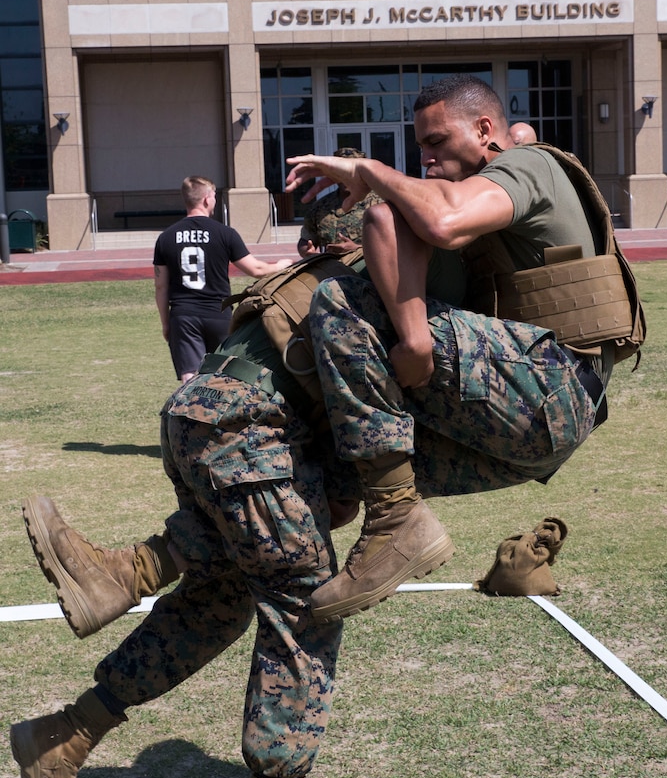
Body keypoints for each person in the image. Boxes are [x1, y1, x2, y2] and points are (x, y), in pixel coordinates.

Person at [9, 305, 359, 778]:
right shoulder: (387, 278)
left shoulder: (328, 273)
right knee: (307, 605)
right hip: (251, 429)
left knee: (217, 601)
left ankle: (64, 734)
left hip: (204, 410)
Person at [285, 74, 612, 622]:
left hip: (553, 387)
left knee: (340, 300)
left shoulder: (528, 165)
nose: (427, 159)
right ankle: (161, 565)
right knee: (325, 467)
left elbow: (421, 216)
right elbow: (406, 226)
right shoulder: (483, 204)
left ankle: (396, 522)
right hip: (527, 424)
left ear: (486, 129)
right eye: (422, 149)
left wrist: (413, 339)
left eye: (436, 143)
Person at [154, 175, 293, 382]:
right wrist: (281, 265)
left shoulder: (166, 237)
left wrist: (166, 323)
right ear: (207, 199)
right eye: (215, 196)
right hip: (218, 313)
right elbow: (255, 269)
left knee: (190, 376)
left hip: (183, 315)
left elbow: (161, 287)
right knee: (225, 374)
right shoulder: (225, 233)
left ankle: (190, 412)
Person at [296, 148, 381, 258]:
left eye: (351, 172)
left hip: (367, 271)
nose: (346, 177)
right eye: (341, 172)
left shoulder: (380, 205)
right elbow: (306, 239)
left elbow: (395, 246)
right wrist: (307, 251)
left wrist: (357, 249)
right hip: (332, 270)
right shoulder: (320, 207)